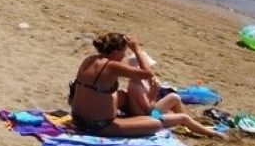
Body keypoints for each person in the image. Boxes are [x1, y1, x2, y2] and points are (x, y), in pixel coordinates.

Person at [70, 33, 221, 138]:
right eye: (124, 51)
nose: (124, 56)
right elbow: (148, 74)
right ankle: (211, 133)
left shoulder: (90, 59)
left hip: (78, 118)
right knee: (157, 122)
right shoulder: (112, 67)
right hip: (98, 126)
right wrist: (137, 49)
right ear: (116, 51)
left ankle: (185, 122)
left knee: (122, 95)